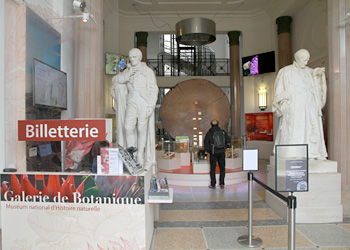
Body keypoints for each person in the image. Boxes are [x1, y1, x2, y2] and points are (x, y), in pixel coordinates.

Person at [272, 49, 327, 159]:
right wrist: (283, 102)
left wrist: (318, 77)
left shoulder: (310, 72)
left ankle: (312, 152)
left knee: (311, 129)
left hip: (309, 105)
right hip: (294, 107)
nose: (306, 63)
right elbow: (279, 90)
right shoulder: (285, 71)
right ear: (297, 59)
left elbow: (317, 89)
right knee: (294, 131)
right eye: (304, 60)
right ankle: (292, 153)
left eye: (307, 60)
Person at [111, 48, 158, 166]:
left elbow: (154, 89)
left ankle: (140, 155)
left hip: (144, 101)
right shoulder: (128, 70)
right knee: (127, 127)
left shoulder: (148, 71)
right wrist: (127, 74)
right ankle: (132, 153)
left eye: (134, 57)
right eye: (130, 57)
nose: (132, 59)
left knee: (142, 129)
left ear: (140, 57)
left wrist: (151, 105)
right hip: (131, 101)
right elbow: (115, 79)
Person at [204, 120, 230, 189]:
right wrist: (224, 148)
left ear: (211, 125)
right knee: (222, 168)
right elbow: (228, 141)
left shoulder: (209, 133)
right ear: (218, 124)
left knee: (213, 169)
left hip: (213, 153)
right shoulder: (223, 132)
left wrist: (210, 151)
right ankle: (222, 183)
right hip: (222, 152)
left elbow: (205, 144)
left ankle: (213, 184)